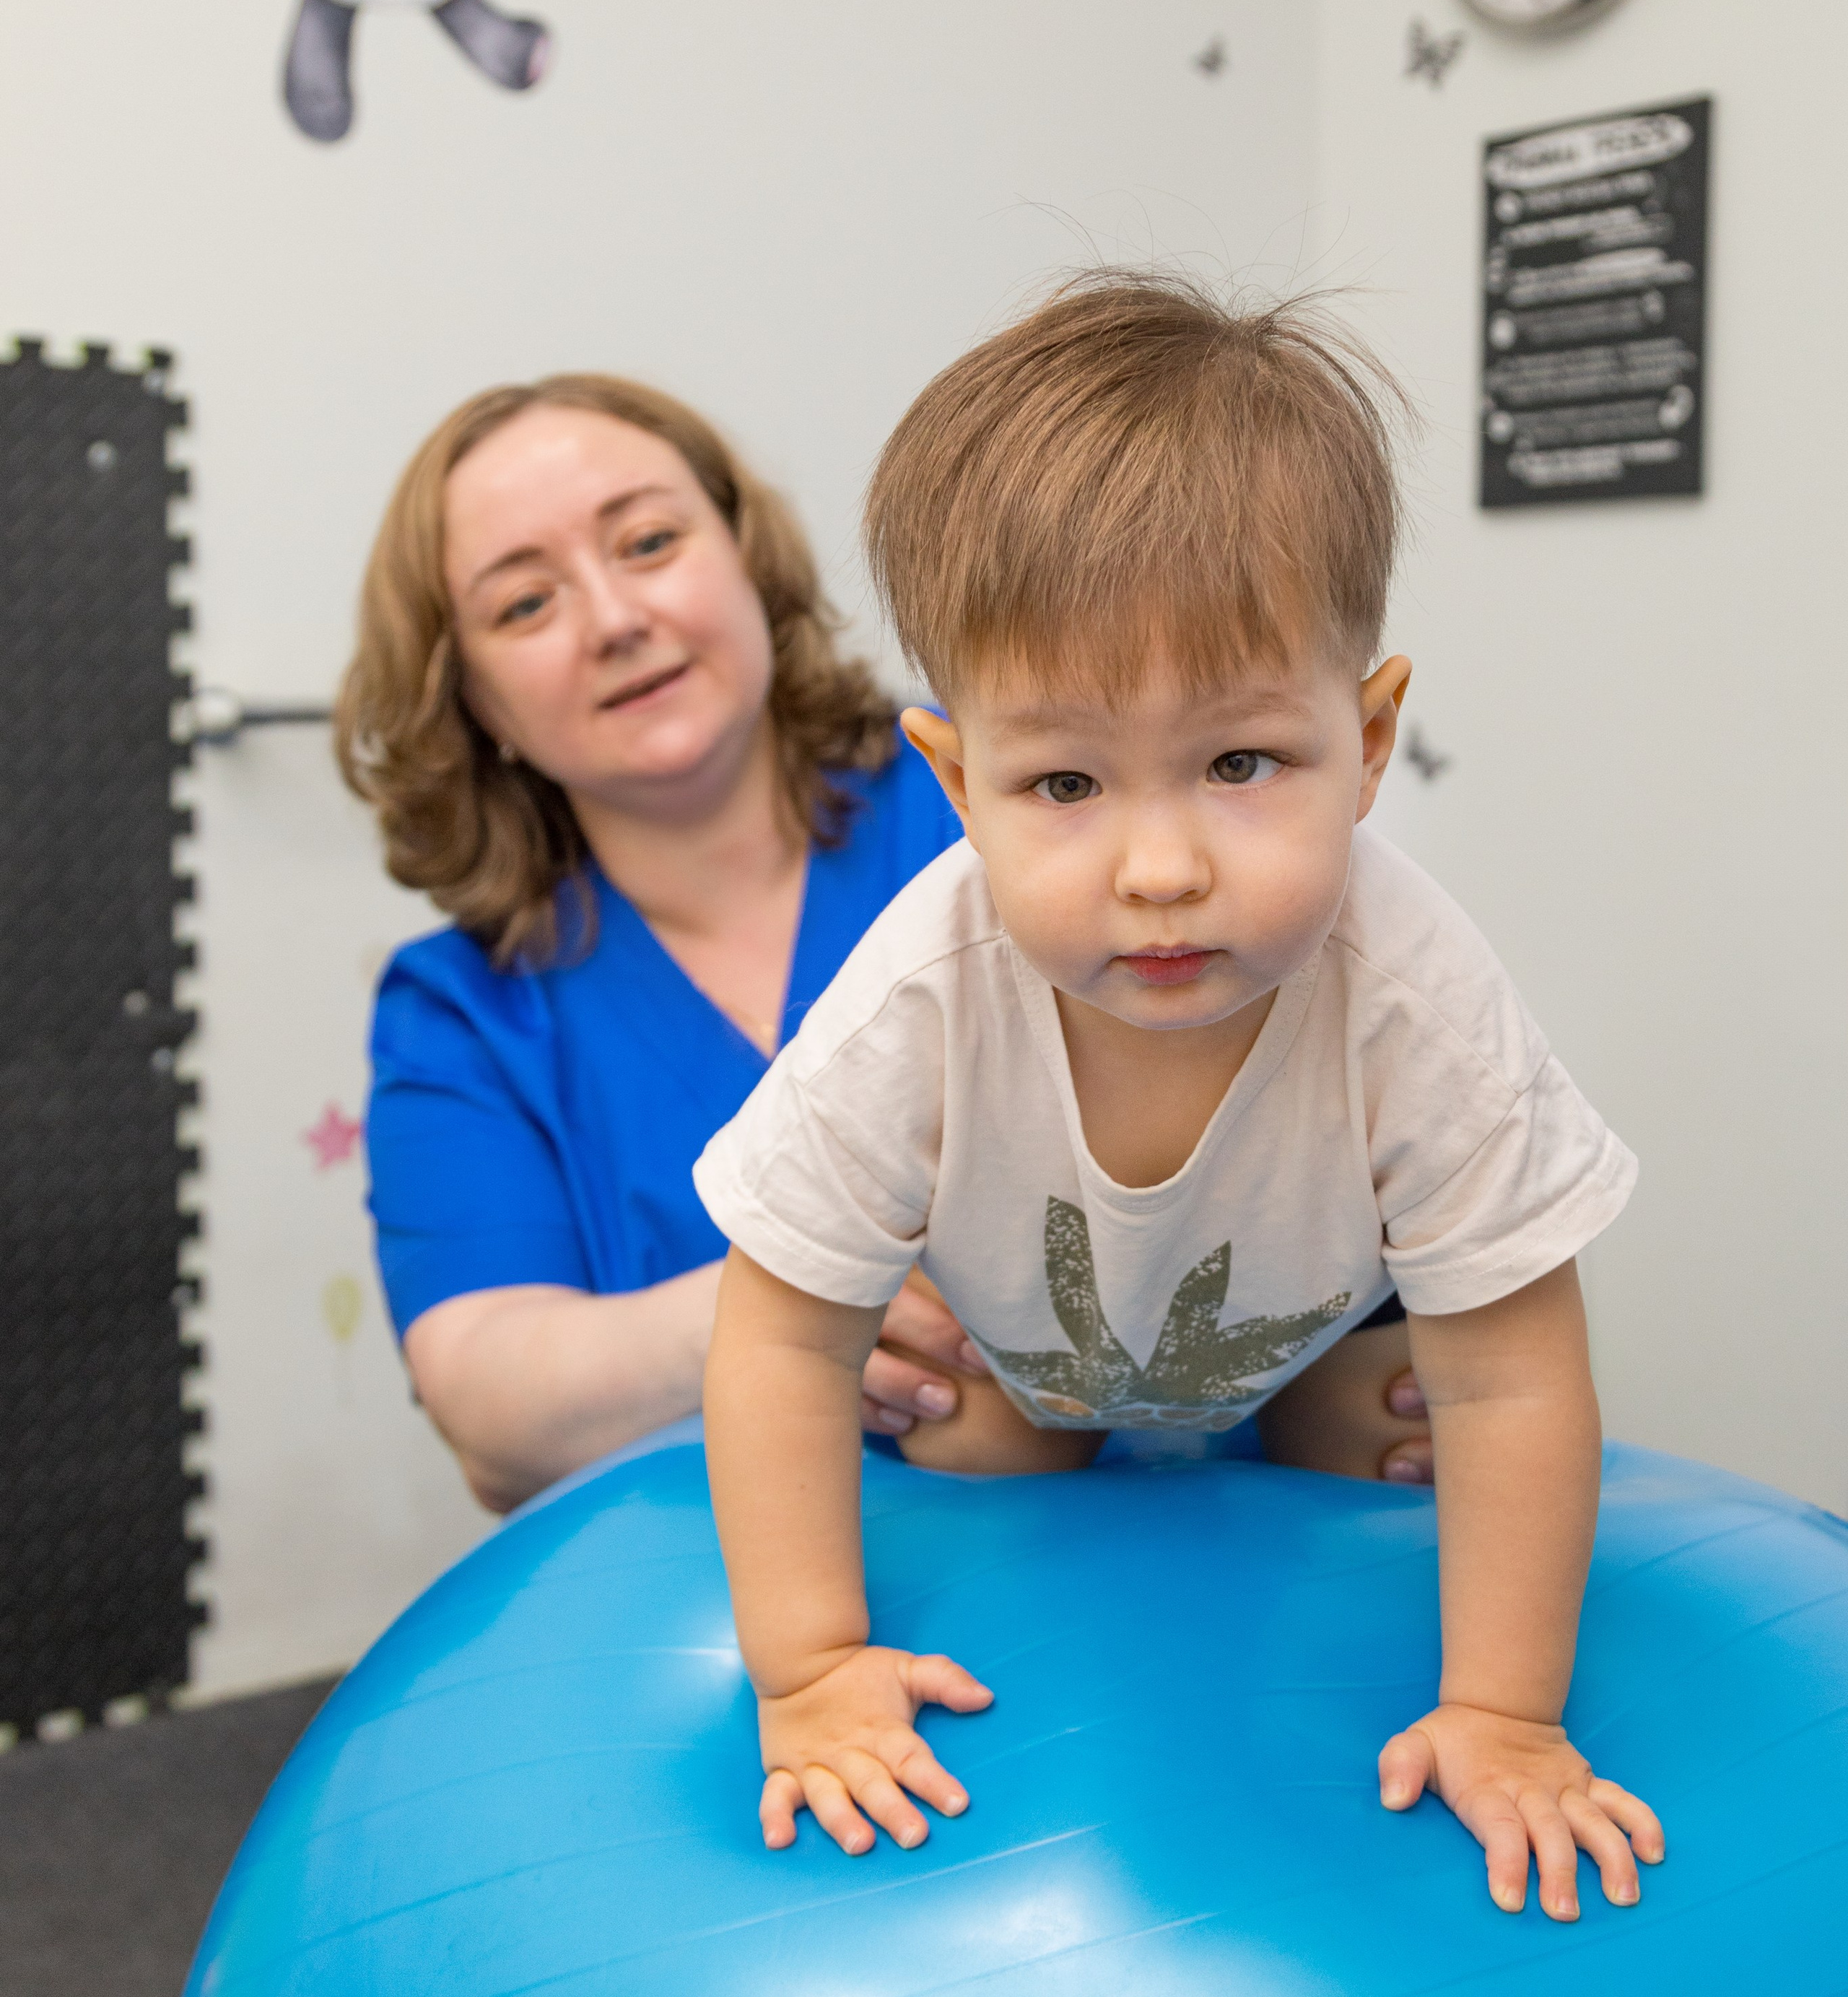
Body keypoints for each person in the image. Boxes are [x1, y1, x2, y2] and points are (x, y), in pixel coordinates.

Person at [696, 276, 1666, 1923]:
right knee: (977, 1456)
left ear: (1365, 741)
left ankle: (1290, 1427)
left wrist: (1503, 1712)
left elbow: (1510, 1378)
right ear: (953, 782)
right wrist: (809, 1672)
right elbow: (782, 1338)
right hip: (1035, 1359)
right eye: (1062, 784)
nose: (1159, 868)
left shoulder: (1411, 995)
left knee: (1397, 1447)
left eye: (1239, 765)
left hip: (1306, 1343)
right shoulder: (919, 993)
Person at [339, 370, 1433, 1513]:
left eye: (650, 542)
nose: (616, 621)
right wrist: (814, 1287)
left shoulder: (1028, 807)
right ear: (471, 698)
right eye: (525, 605)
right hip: (764, 1592)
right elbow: (493, 1422)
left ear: (748, 560)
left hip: (1244, 1530)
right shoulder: (464, 1012)